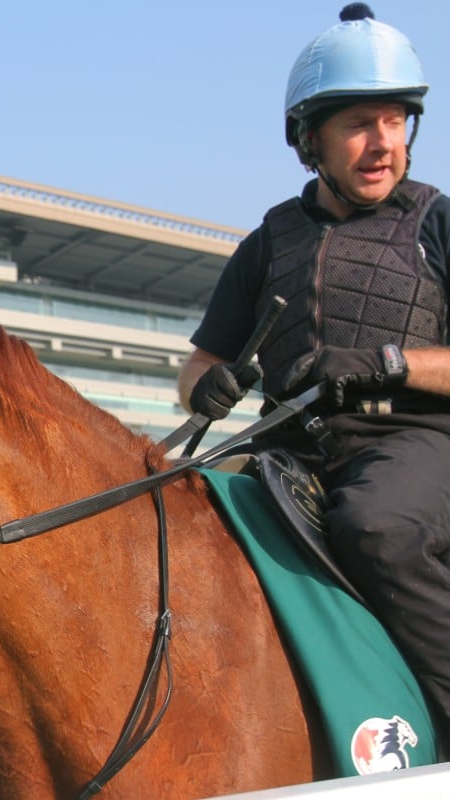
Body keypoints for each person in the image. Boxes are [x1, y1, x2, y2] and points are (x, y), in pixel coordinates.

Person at [178, 3, 450, 738]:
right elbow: (202, 358)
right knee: (177, 511)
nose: (382, 143)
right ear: (309, 139)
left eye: (395, 122)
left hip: (415, 445)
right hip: (286, 449)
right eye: (360, 124)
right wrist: (206, 384)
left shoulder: (438, 221)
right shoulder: (269, 239)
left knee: (377, 526)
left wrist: (385, 364)